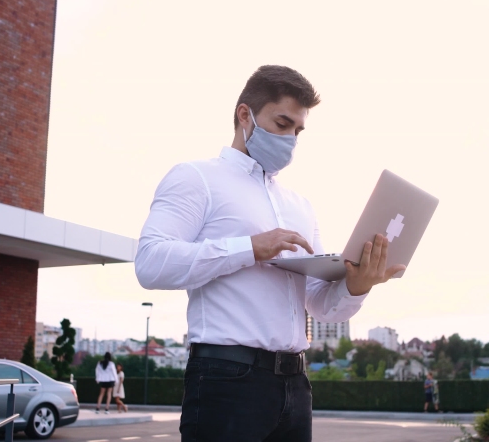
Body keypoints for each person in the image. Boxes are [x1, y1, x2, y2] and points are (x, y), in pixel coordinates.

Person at [135, 65, 406, 442]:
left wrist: (357, 287)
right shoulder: (195, 178)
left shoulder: (300, 206)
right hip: (226, 378)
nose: (290, 139)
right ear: (245, 115)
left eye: (298, 130)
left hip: (296, 384)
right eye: (282, 123)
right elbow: (150, 263)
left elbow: (321, 305)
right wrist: (249, 248)